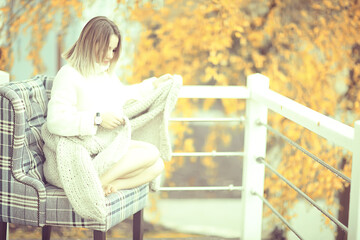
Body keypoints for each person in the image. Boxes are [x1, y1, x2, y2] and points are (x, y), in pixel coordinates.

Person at [45, 16, 172, 196]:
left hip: (103, 149)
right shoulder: (68, 75)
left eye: (113, 49)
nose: (110, 55)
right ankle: (88, 185)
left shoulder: (103, 74)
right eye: (107, 48)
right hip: (82, 157)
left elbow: (122, 94)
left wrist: (153, 85)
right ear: (90, 43)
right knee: (151, 152)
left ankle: (110, 184)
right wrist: (97, 119)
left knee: (157, 164)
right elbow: (56, 121)